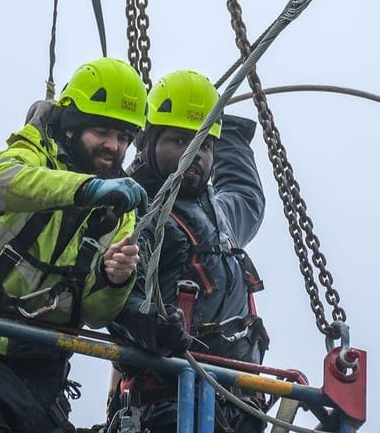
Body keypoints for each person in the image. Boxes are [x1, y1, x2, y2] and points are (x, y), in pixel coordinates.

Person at [0, 57, 150, 433]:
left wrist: (115, 279)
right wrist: (87, 190)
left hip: (43, 371)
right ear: (73, 128)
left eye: (124, 137)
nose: (114, 146)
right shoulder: (32, 153)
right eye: (104, 132)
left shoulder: (119, 207)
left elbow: (94, 313)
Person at [108, 70, 269, 433]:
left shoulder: (219, 214)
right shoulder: (137, 213)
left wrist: (227, 130)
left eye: (205, 145)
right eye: (179, 141)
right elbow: (113, 300)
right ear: (148, 143)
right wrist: (151, 328)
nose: (194, 153)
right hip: (168, 403)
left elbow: (247, 196)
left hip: (237, 403)